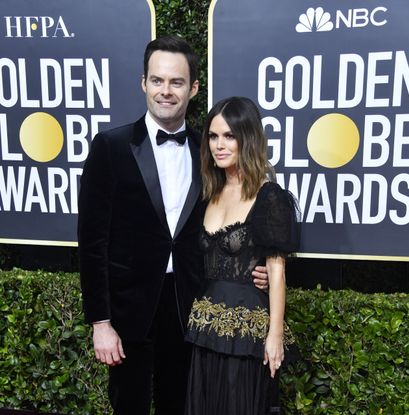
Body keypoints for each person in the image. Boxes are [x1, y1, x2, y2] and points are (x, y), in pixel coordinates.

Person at [78, 36, 268, 415]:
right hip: (128, 309)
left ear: (193, 88)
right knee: (128, 405)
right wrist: (101, 322)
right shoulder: (110, 147)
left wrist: (256, 268)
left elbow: (233, 217)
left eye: (176, 82)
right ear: (143, 83)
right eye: (158, 80)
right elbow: (92, 241)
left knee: (181, 404)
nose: (166, 91)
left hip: (189, 305)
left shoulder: (208, 149)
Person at [184, 96, 300, 415]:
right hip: (205, 330)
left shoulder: (269, 195)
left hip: (246, 333)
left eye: (229, 136)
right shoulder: (208, 192)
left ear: (246, 139)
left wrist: (275, 336)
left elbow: (276, 272)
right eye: (213, 136)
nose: (219, 145)